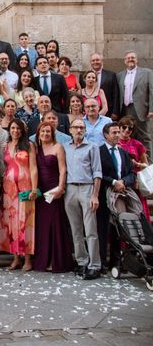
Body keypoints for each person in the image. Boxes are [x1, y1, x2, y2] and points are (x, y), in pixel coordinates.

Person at [63, 119, 103, 280]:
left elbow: (97, 172)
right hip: (70, 189)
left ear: (85, 130)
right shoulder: (65, 147)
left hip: (87, 188)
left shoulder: (92, 147)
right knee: (75, 229)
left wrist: (95, 195)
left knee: (91, 229)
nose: (78, 130)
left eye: (81, 127)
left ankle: (95, 265)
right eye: (75, 127)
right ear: (70, 130)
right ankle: (81, 261)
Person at [33, 122, 74, 273]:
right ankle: (44, 259)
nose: (45, 134)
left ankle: (56, 261)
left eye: (48, 132)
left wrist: (61, 188)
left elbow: (63, 170)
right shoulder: (35, 148)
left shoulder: (58, 147)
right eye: (42, 131)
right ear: (38, 133)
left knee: (55, 224)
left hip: (54, 188)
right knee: (43, 225)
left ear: (52, 133)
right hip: (40, 190)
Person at [0, 119, 38, 271]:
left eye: (18, 128)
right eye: (13, 128)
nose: (15, 131)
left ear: (22, 130)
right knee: (11, 223)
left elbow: (33, 168)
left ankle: (27, 258)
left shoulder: (29, 145)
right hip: (9, 190)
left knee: (26, 222)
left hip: (25, 187)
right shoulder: (6, 146)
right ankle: (16, 257)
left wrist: (34, 189)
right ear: (9, 130)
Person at [98, 122, 137, 269]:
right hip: (104, 195)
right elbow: (98, 173)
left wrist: (123, 182)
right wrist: (114, 181)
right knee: (103, 229)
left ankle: (116, 261)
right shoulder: (99, 151)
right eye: (113, 132)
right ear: (106, 135)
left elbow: (131, 174)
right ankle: (102, 262)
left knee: (117, 229)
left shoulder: (123, 153)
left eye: (118, 132)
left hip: (121, 196)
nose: (117, 135)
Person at [117, 50, 153, 158]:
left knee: (144, 136)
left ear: (137, 60)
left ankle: (149, 165)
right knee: (126, 136)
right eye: (128, 58)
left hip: (142, 110)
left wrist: (151, 109)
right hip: (125, 109)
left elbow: (152, 91)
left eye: (133, 57)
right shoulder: (119, 75)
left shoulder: (147, 73)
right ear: (125, 61)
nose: (130, 59)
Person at [118, 115, 150, 221]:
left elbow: (146, 165)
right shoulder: (114, 143)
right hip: (119, 181)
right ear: (119, 127)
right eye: (124, 127)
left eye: (130, 128)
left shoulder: (137, 144)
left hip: (135, 182)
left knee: (137, 210)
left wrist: (137, 164)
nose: (127, 130)